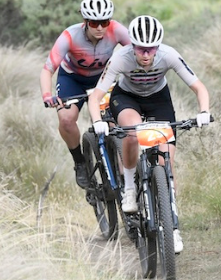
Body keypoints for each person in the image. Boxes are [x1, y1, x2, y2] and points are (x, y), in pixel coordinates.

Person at [87, 15, 212, 254]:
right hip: (126, 98)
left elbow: (199, 87)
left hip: (158, 100)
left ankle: (173, 229)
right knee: (133, 133)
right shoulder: (120, 59)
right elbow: (95, 97)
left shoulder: (169, 55)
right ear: (132, 46)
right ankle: (131, 187)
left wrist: (204, 111)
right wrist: (97, 121)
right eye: (141, 49)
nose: (146, 55)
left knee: (167, 164)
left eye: (151, 49)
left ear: (158, 47)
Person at [40, 0, 132, 188]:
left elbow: (137, 53)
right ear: (85, 21)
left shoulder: (117, 30)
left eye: (104, 22)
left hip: (102, 79)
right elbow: (47, 69)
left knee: (115, 121)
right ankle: (80, 162)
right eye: (94, 22)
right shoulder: (70, 36)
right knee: (66, 119)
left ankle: (125, 171)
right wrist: (47, 95)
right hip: (72, 79)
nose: (100, 27)